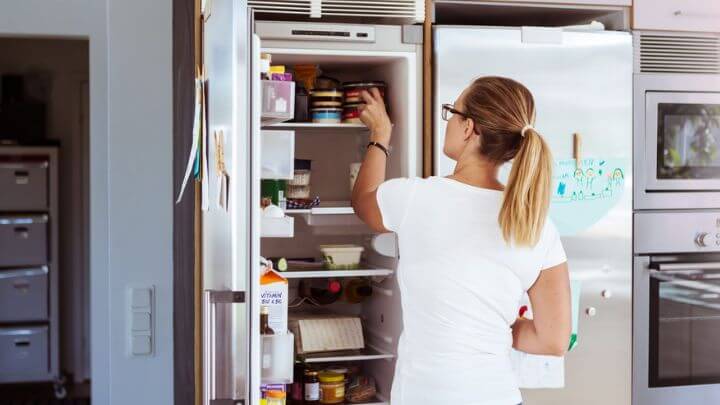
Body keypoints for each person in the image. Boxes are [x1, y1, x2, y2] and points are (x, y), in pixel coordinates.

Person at [351, 76, 571, 405]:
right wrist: (493, 326)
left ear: (468, 127)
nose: (449, 121)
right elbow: (554, 340)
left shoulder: (417, 198)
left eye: (451, 112)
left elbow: (363, 200)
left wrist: (380, 136)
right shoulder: (537, 225)